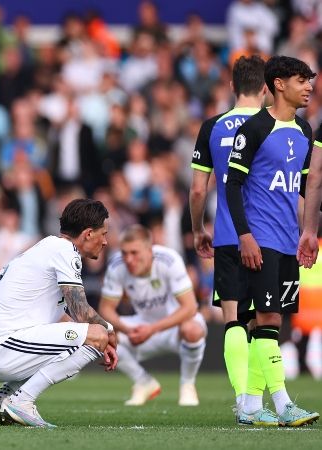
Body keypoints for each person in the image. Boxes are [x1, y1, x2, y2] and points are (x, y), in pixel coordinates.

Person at [0, 199, 118, 428]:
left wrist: (95, 334)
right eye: (103, 233)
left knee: (86, 336)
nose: (106, 241)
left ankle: (3, 397)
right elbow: (81, 311)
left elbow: (65, 318)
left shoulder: (46, 248)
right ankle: (22, 401)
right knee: (97, 334)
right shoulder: (64, 251)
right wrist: (108, 332)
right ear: (88, 233)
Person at [226, 55, 319, 427]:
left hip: (287, 241)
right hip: (260, 238)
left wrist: (308, 234)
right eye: (302, 80)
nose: (309, 86)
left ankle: (250, 406)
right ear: (279, 84)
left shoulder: (305, 131)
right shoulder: (254, 129)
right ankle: (282, 405)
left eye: (310, 80)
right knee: (267, 318)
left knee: (269, 323)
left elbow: (302, 191)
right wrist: (245, 236)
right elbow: (231, 185)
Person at [189, 55, 272, 423]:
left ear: (231, 86)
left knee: (233, 319)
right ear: (267, 87)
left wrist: (196, 229)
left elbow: (196, 191)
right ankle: (261, 402)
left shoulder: (213, 126)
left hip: (227, 235)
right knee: (264, 323)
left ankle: (244, 402)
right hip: (271, 236)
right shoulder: (277, 126)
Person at [98, 225, 206, 406]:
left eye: (134, 253)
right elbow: (106, 308)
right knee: (101, 335)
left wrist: (152, 329)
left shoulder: (168, 260)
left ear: (150, 251)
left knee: (193, 329)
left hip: (173, 326)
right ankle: (144, 382)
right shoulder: (117, 264)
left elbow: (190, 308)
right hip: (141, 326)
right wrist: (127, 329)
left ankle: (187, 385)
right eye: (124, 253)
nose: (129, 259)